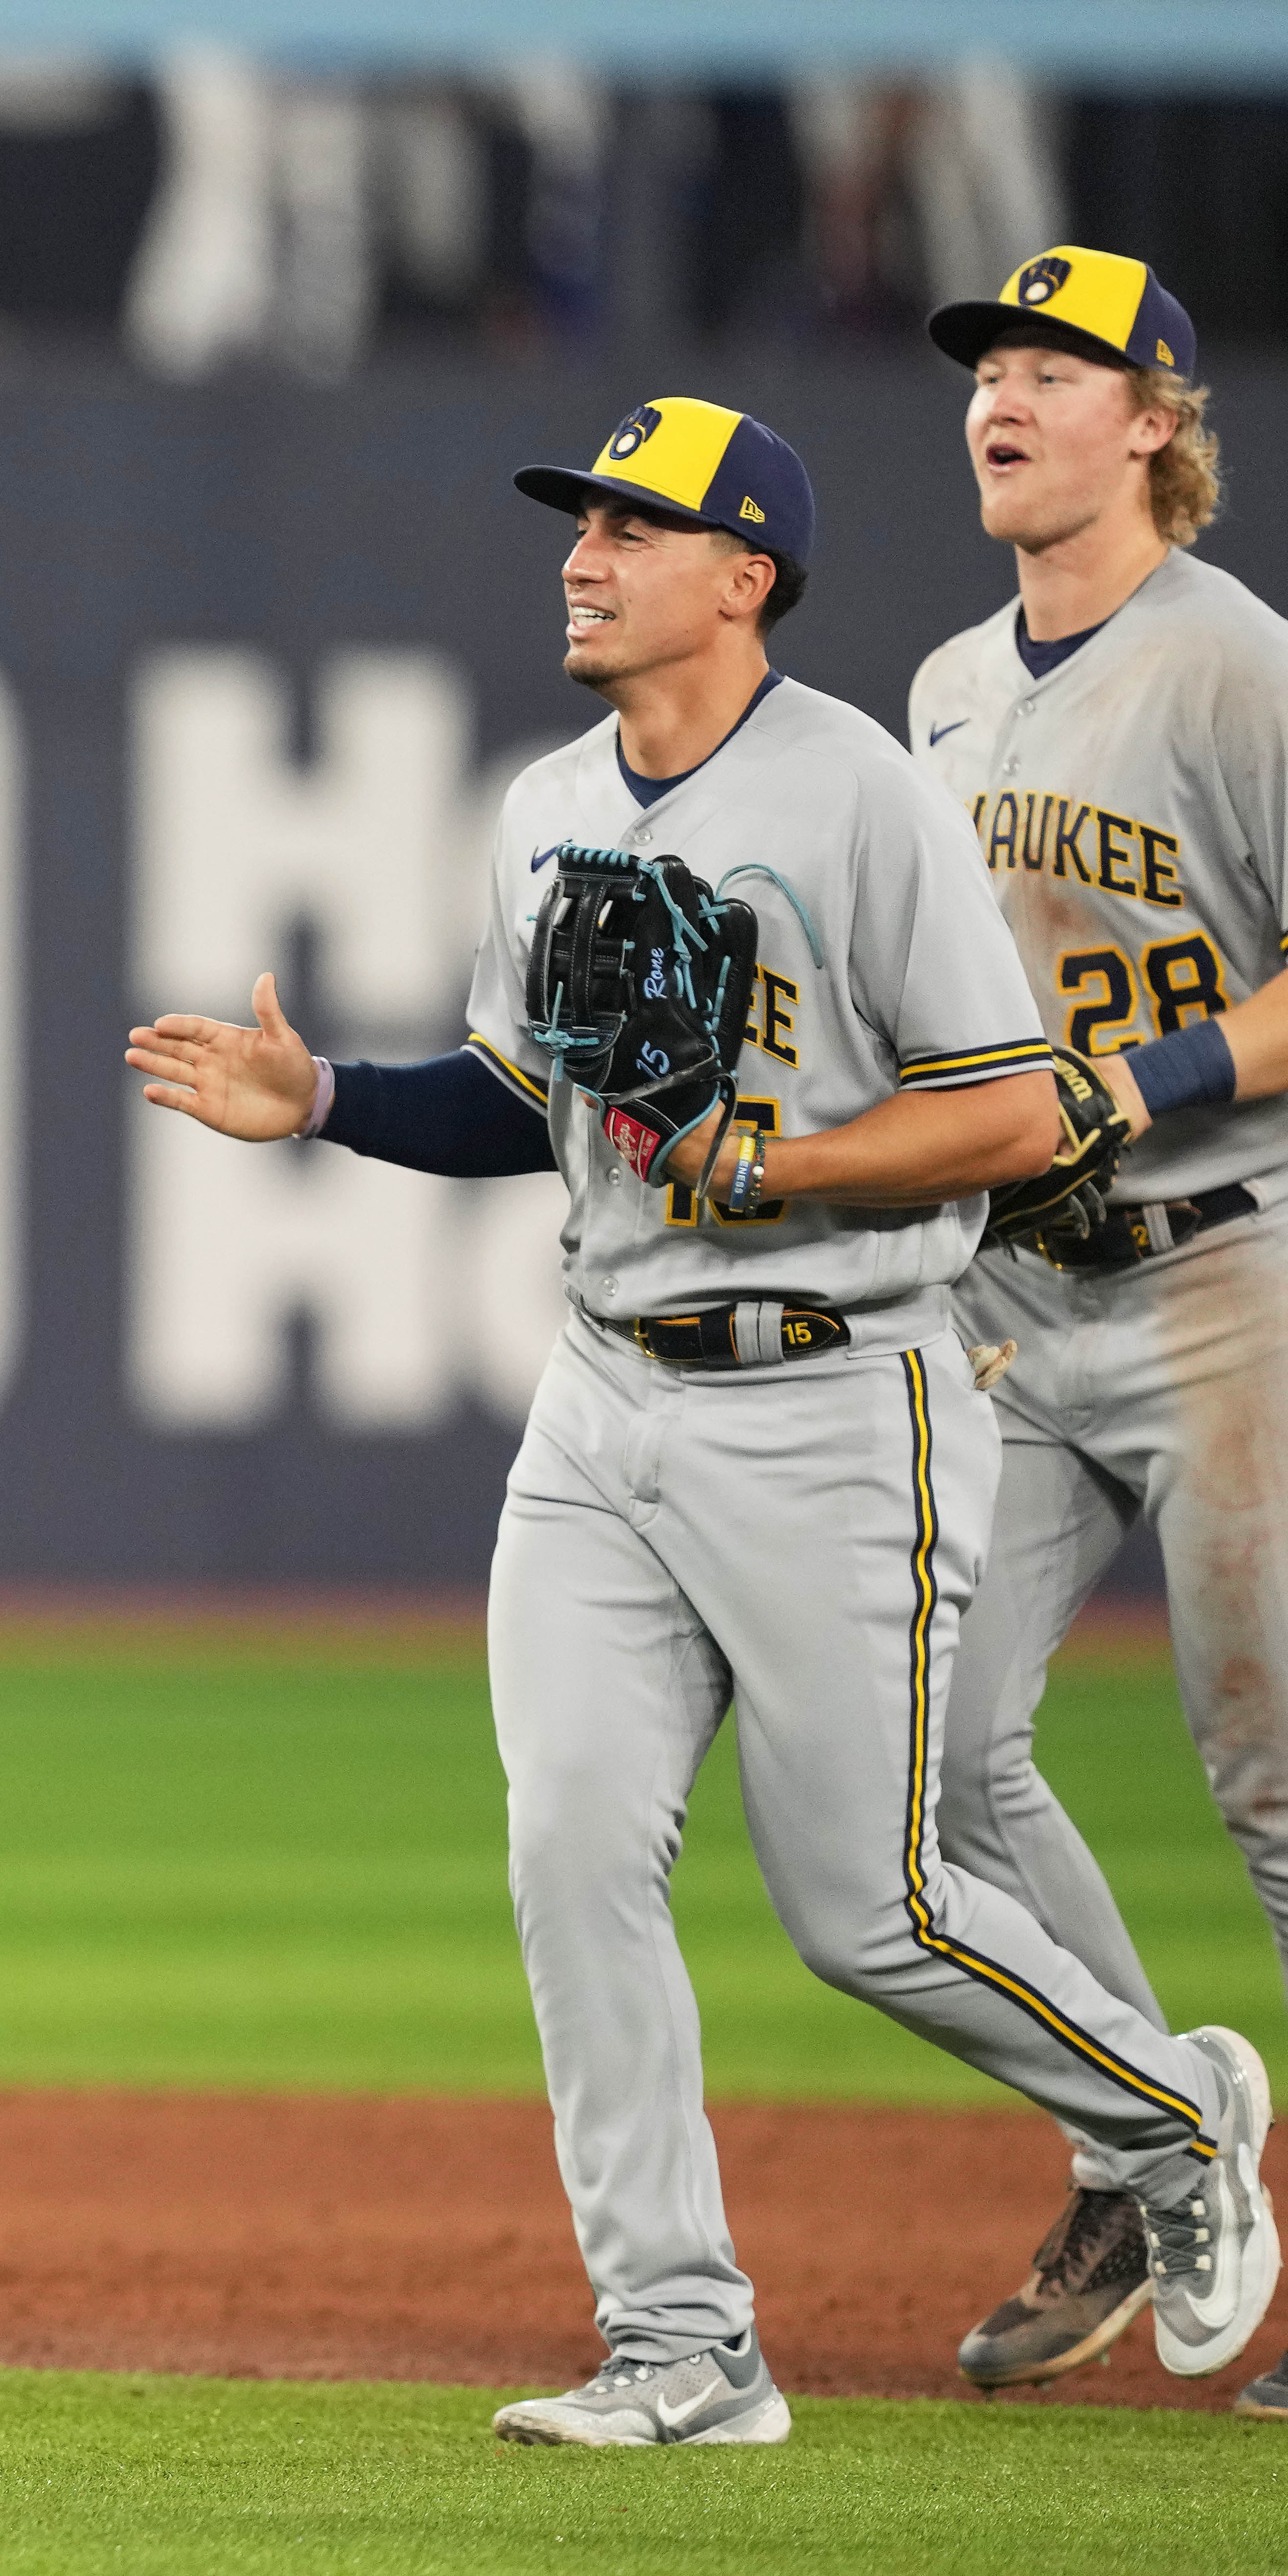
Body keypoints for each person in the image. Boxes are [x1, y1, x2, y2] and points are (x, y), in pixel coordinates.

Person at [127, 394, 1276, 2445]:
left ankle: (1179, 2117)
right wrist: (324, 1104)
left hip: (844, 1391)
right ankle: (683, 2340)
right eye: (579, 520)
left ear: (745, 577)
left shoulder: (858, 793)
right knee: (572, 1845)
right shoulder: (547, 801)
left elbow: (1015, 1110)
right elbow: (532, 1097)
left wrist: (790, 1166)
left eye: (633, 528)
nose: (582, 553)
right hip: (601, 1404)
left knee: (870, 1908)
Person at [904, 247, 1288, 2414]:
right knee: (928, 1765)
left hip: (1233, 1269)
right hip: (1016, 1291)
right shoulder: (952, 684)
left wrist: (1153, 1082)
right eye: (990, 367)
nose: (1007, 399)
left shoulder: (1238, 670)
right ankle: (1151, 2137)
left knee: (1281, 1787)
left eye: (1059, 369)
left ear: (1157, 418)